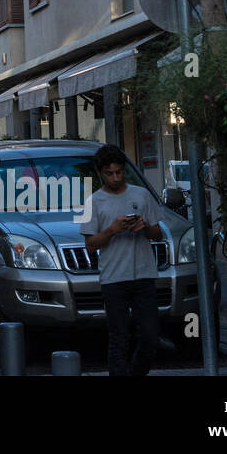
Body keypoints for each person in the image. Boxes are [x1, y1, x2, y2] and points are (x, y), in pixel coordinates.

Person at [81, 143, 164, 376]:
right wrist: (113, 230)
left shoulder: (141, 195)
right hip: (113, 278)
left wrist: (144, 227)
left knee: (150, 336)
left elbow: (158, 234)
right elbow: (90, 245)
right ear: (100, 173)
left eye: (119, 172)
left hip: (144, 275)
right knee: (119, 338)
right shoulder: (93, 202)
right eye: (109, 173)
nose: (115, 178)